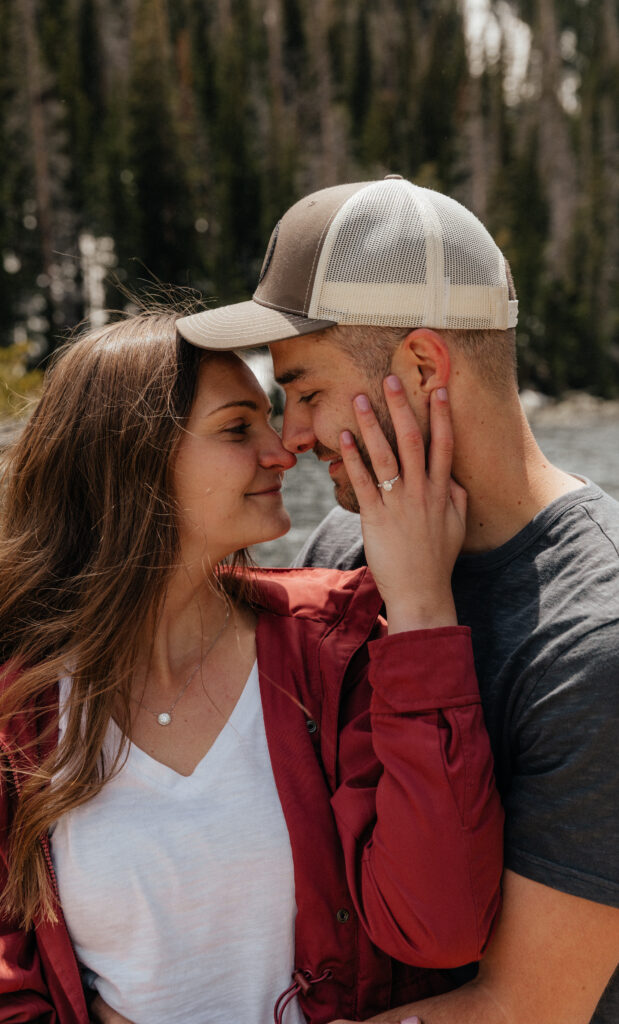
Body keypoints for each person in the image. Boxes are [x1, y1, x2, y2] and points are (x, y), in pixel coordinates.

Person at [0, 310, 503, 1024]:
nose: (282, 450)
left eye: (270, 419)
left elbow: (442, 924)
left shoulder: (336, 649)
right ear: (133, 461)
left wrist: (421, 605)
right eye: (239, 429)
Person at [176, 175, 619, 1024]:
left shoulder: (594, 637)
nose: (290, 439)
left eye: (305, 393)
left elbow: (520, 1008)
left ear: (422, 368)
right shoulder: (345, 548)